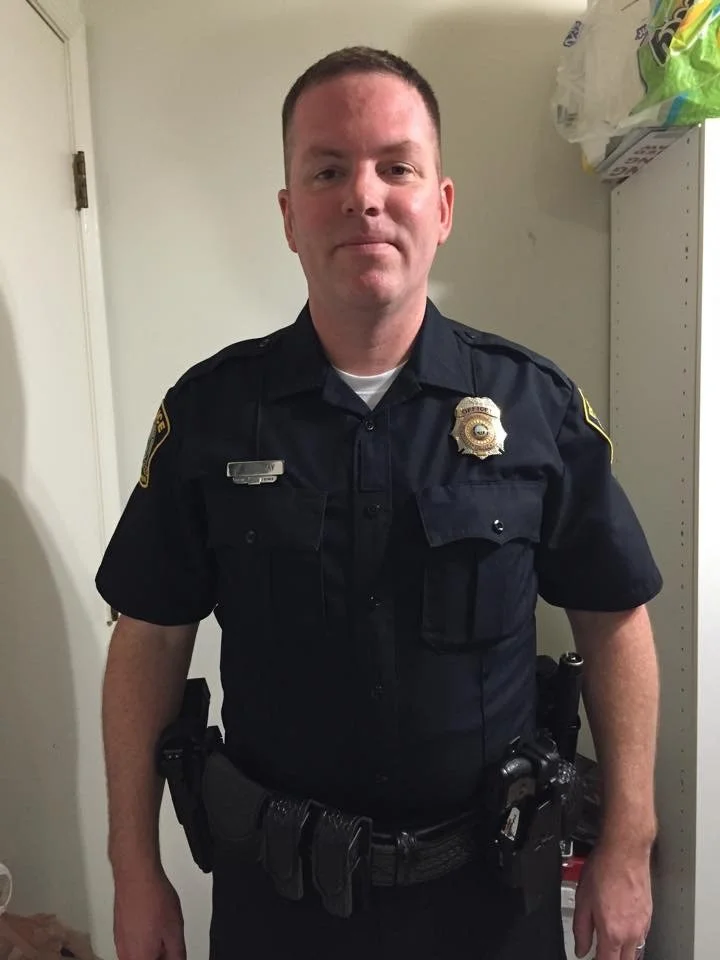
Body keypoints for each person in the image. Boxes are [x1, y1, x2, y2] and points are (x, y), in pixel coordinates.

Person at [97, 46, 661, 960]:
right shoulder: (210, 413)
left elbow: (612, 618)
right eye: (328, 170)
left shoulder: (533, 406)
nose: (365, 195)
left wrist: (628, 843)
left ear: (441, 204)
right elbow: (148, 640)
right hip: (279, 906)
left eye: (396, 166)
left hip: (492, 902)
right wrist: (133, 866)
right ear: (288, 215)